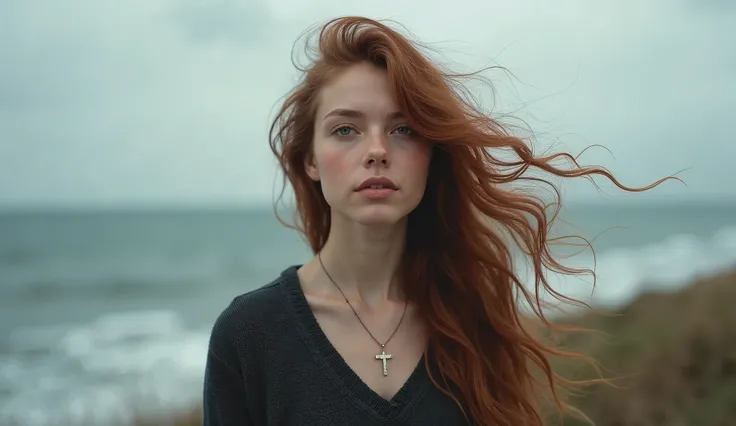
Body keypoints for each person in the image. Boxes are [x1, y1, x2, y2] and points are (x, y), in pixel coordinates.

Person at [202, 16, 672, 426]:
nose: (377, 151)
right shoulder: (248, 335)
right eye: (346, 129)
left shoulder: (470, 315)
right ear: (309, 160)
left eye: (403, 129)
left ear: (431, 155)